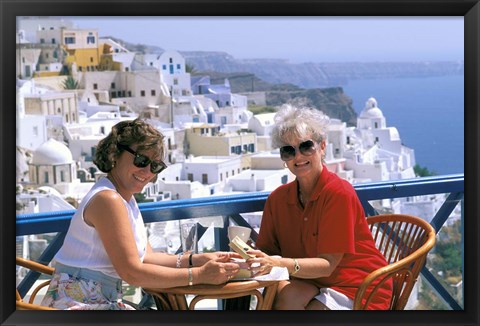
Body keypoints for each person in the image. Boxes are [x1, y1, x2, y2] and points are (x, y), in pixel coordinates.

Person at [41, 119, 240, 310]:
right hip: (78, 303)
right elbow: (132, 273)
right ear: (115, 154)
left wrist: (196, 260)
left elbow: (147, 257)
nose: (147, 171)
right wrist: (198, 275)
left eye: (155, 166)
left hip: (98, 300)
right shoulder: (108, 200)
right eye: (141, 160)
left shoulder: (125, 199)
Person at [247, 104, 393, 310]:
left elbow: (327, 265)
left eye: (306, 146)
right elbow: (267, 251)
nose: (298, 156)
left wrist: (279, 264)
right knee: (282, 301)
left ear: (322, 146)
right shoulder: (277, 200)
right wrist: (246, 256)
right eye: (288, 150)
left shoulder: (338, 193)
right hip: (311, 280)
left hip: (358, 285)